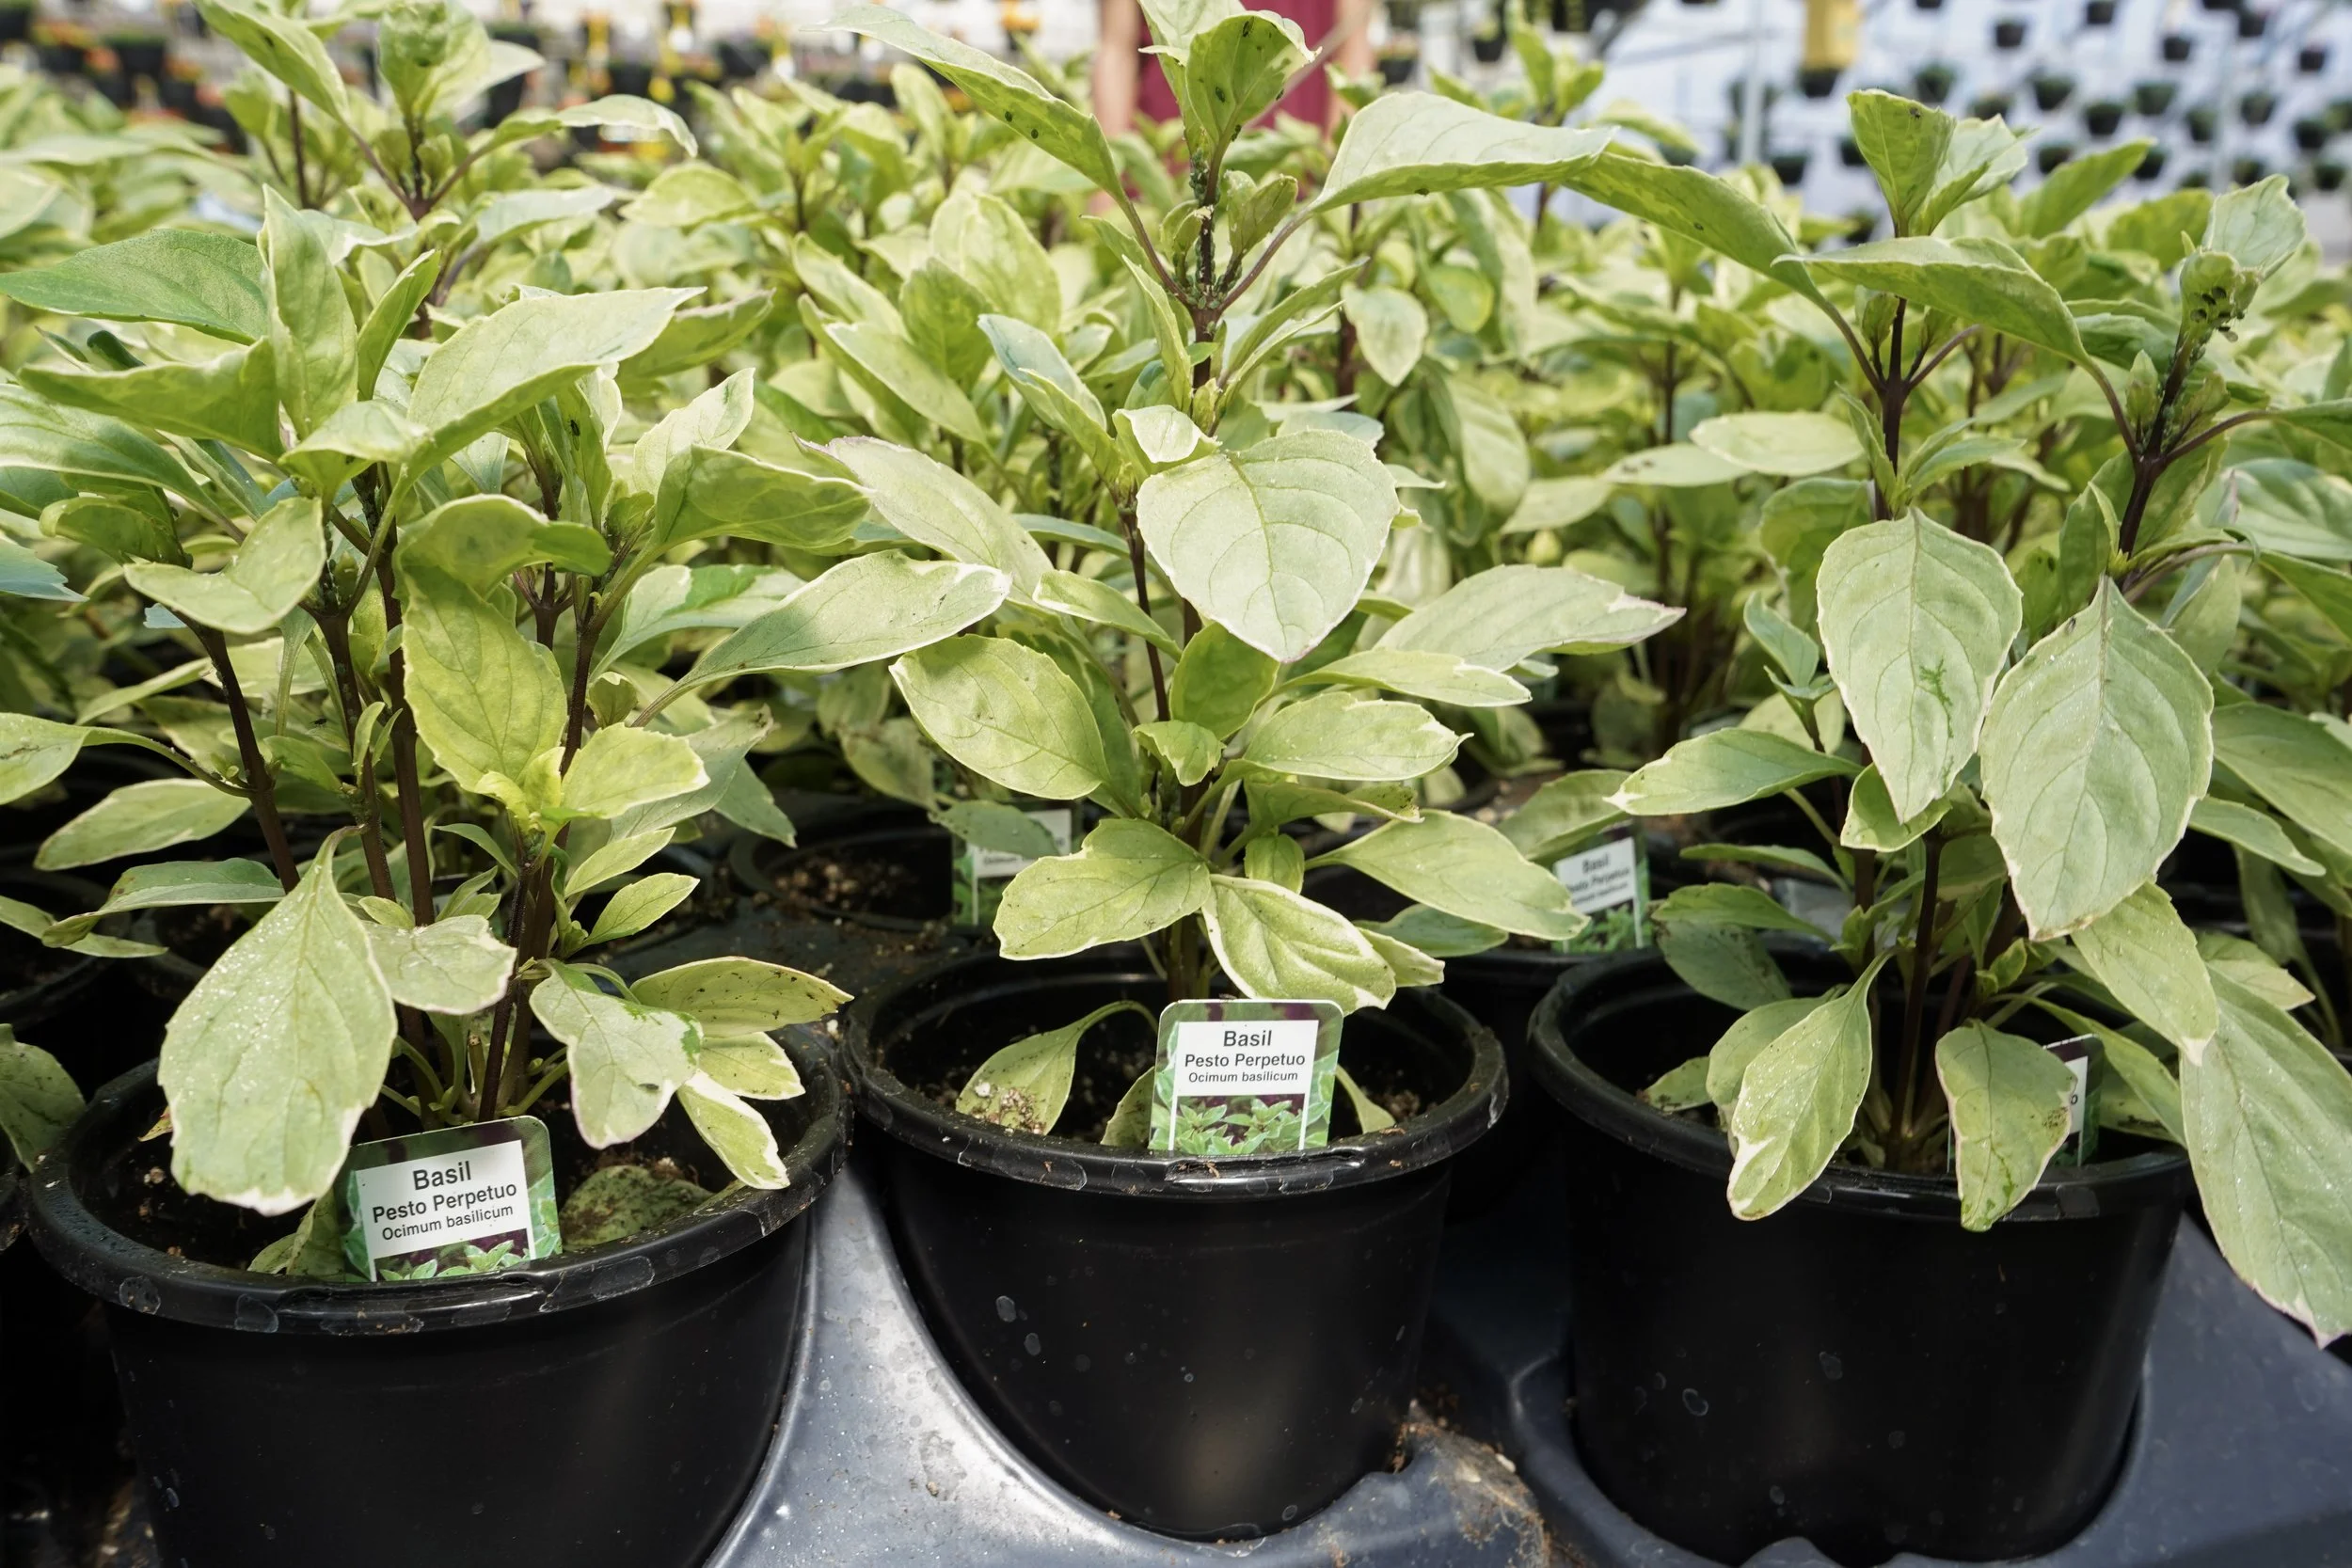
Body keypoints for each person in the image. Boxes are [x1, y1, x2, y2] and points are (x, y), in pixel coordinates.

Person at [1089, 0, 1374, 136]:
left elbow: (1353, 43)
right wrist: (1106, 197)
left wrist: (1332, 181)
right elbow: (1116, 49)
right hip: (1169, 181)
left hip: (1291, 175)